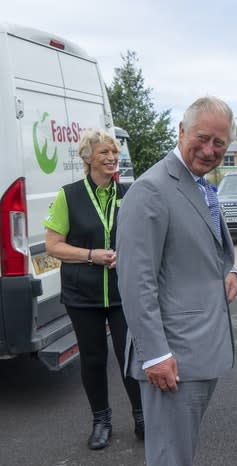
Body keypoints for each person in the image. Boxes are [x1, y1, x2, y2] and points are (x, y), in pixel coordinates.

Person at [116, 96, 237, 466]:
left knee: (180, 453)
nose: (209, 149)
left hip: (200, 350)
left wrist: (230, 271)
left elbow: (211, 249)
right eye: (202, 138)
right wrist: (155, 353)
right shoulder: (151, 189)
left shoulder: (199, 185)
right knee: (170, 457)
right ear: (181, 130)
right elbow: (136, 281)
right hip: (173, 358)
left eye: (219, 143)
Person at [43, 128, 143, 450]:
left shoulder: (129, 194)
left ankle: (142, 416)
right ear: (89, 159)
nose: (112, 158)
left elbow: (144, 240)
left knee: (130, 357)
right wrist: (91, 256)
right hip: (82, 295)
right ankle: (102, 421)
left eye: (114, 153)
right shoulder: (68, 196)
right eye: (104, 153)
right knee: (94, 358)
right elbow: (53, 246)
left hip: (122, 292)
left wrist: (124, 255)